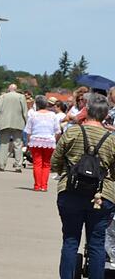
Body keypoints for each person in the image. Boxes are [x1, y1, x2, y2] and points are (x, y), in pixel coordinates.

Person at [51, 93, 115, 278]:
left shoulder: (72, 132)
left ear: (87, 111)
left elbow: (55, 161)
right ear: (105, 115)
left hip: (70, 191)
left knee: (70, 239)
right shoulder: (111, 139)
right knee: (97, 242)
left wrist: (66, 171)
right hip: (101, 196)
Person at [24, 95, 61, 191]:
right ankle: (44, 186)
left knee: (37, 163)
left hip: (35, 140)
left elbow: (28, 131)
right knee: (46, 164)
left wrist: (28, 142)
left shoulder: (33, 115)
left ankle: (37, 185)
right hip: (49, 141)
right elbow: (58, 131)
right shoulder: (53, 115)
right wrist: (54, 140)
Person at [0, 84, 28, 172]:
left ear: (9, 89)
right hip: (18, 123)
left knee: (4, 144)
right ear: (16, 89)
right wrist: (26, 122)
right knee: (18, 145)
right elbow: (25, 112)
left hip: (4, 123)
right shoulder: (21, 97)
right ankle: (18, 166)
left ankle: (2, 165)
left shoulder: (2, 97)